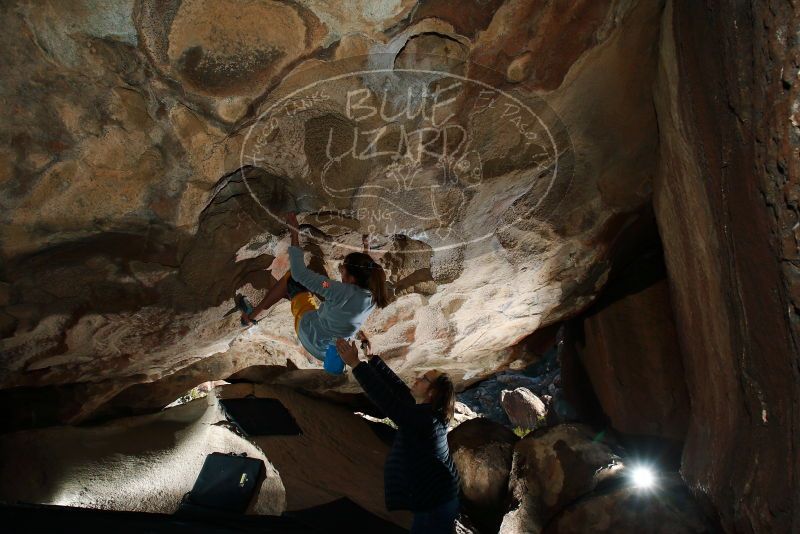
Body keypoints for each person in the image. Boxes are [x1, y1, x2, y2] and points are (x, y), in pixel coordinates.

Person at [335, 337, 461, 533]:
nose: (417, 379)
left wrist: (355, 364)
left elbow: (390, 403)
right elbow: (399, 390)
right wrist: (373, 359)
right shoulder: (427, 411)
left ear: (432, 394)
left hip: (436, 502)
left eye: (424, 379)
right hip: (437, 497)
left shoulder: (427, 421)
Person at [244, 213, 389, 366]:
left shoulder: (338, 291)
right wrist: (366, 247)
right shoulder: (373, 293)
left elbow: (299, 273)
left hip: (309, 335)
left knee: (291, 278)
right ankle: (291, 295)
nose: (341, 272)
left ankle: (250, 317)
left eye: (343, 270)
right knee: (314, 288)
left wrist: (294, 231)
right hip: (327, 352)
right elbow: (364, 272)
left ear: (352, 278)